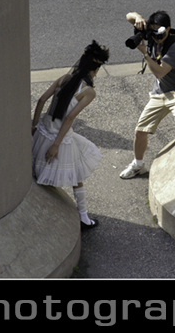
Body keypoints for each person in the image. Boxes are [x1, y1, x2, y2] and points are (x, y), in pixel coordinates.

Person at [32, 40, 110, 229]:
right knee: (76, 176)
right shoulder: (88, 92)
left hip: (42, 131)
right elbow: (69, 119)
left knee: (36, 172)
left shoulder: (64, 78)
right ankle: (83, 216)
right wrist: (57, 145)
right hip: (60, 138)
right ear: (96, 69)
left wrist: (34, 126)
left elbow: (42, 99)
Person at [120, 10, 175, 179]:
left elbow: (160, 72)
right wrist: (138, 19)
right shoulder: (153, 33)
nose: (156, 37)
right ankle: (138, 165)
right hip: (159, 93)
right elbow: (128, 15)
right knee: (140, 131)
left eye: (160, 33)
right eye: (152, 32)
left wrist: (145, 53)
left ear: (168, 29)